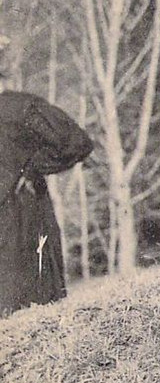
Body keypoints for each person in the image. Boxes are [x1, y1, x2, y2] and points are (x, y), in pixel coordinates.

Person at [0, 84, 93, 316]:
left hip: (19, 219)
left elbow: (75, 142)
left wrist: (30, 169)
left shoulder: (18, 108)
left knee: (23, 309)